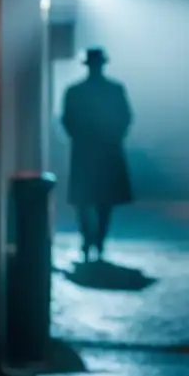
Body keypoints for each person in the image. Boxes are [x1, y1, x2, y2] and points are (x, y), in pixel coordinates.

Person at [60, 47, 133, 262]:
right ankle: (97, 240)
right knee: (103, 201)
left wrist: (81, 137)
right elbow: (125, 117)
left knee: (86, 199)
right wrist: (112, 137)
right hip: (106, 150)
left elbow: (67, 120)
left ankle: (89, 239)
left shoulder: (75, 91)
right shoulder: (114, 89)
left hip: (85, 150)